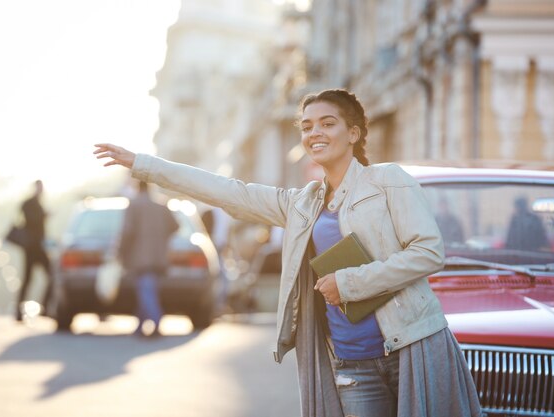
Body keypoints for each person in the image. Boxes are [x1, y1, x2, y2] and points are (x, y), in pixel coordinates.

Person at [94, 89, 481, 417]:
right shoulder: (302, 203)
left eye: (327, 123)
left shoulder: (388, 181)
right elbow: (226, 191)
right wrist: (143, 165)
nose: (315, 132)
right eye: (307, 125)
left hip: (408, 348)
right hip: (350, 361)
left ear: (354, 133)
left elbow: (429, 252)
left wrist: (349, 283)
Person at [117, 180, 179, 337]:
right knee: (148, 290)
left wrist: (120, 252)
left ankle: (156, 321)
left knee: (146, 291)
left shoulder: (134, 205)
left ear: (137, 188)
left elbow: (127, 232)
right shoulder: (161, 205)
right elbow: (176, 226)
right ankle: (140, 326)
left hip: (140, 257)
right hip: (159, 255)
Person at [16, 180, 53, 321]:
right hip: (31, 248)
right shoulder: (28, 204)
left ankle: (45, 306)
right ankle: (18, 312)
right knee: (27, 279)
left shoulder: (39, 204)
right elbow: (31, 220)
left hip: (40, 247)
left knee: (52, 276)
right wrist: (44, 216)